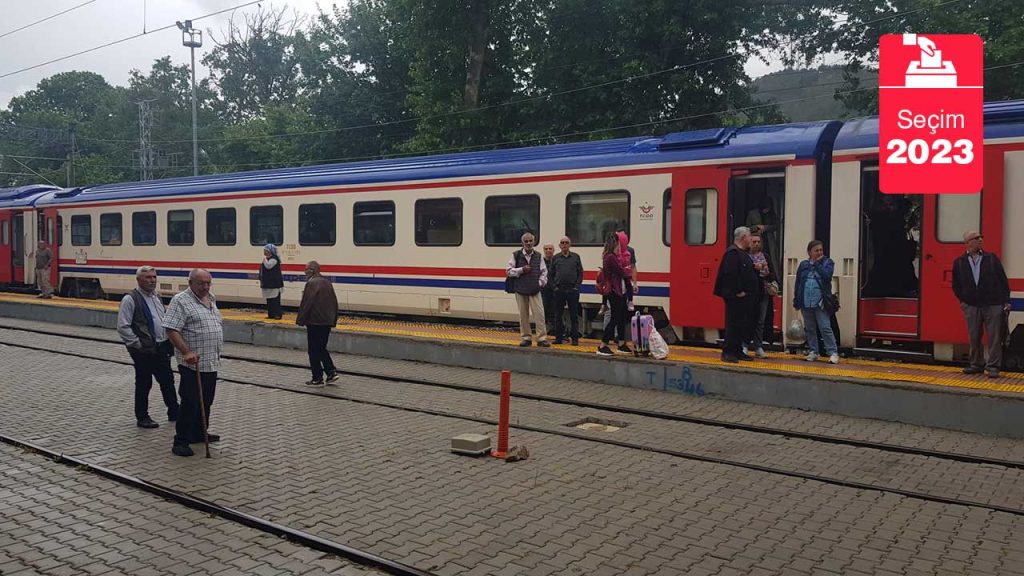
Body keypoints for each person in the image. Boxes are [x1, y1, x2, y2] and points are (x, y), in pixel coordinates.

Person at [163, 269, 224, 457]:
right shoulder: (180, 300)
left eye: (208, 283)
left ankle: (198, 432)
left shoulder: (210, 298)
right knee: (190, 402)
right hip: (192, 363)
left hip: (210, 361)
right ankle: (181, 441)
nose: (205, 287)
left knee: (206, 400)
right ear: (190, 283)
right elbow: (171, 329)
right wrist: (186, 351)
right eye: (201, 283)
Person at [116, 266, 179, 429]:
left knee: (167, 380)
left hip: (161, 347)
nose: (152, 280)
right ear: (138, 280)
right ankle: (142, 417)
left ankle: (174, 411)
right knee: (144, 383)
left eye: (154, 277)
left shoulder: (156, 297)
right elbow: (123, 326)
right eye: (148, 278)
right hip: (144, 350)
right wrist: (137, 344)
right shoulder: (130, 299)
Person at [952, 230, 1011, 378]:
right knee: (974, 336)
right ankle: (975, 364)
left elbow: (1003, 281)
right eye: (976, 238)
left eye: (980, 237)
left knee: (995, 337)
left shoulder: (991, 258)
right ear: (967, 243)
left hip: (993, 304)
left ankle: (993, 367)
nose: (980, 240)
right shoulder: (959, 262)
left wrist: (1006, 301)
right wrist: (964, 301)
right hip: (971, 305)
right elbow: (956, 285)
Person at [714, 227, 758, 363]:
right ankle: (728, 352)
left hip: (745, 298)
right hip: (735, 297)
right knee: (733, 324)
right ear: (743, 237)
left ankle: (737, 350)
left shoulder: (742, 253)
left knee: (741, 324)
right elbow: (730, 274)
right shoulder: (732, 253)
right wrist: (737, 291)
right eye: (750, 237)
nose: (751, 239)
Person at [862, 194, 919, 297]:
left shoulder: (899, 213)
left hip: (896, 250)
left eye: (891, 203)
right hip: (882, 250)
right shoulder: (878, 215)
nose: (887, 207)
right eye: (884, 204)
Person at [793, 240, 839, 364]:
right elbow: (798, 282)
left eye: (821, 250)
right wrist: (796, 299)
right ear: (809, 252)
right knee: (810, 328)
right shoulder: (803, 265)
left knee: (825, 327)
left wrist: (818, 264)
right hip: (806, 301)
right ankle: (814, 351)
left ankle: (833, 352)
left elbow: (827, 276)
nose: (819, 252)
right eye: (816, 250)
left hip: (820, 302)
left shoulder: (828, 263)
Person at [296, 261, 340, 386]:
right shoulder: (327, 282)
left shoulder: (311, 283)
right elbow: (334, 303)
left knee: (313, 350)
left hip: (315, 322)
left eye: (306, 270)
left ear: (312, 270)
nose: (304, 272)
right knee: (321, 348)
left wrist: (300, 320)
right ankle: (331, 372)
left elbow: (307, 303)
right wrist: (333, 319)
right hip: (326, 322)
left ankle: (317, 377)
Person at [506, 232, 550, 347]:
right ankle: (526, 338)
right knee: (523, 315)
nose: (528, 243)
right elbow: (508, 271)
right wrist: (521, 270)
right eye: (526, 241)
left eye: (530, 241)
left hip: (535, 289)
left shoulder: (539, 256)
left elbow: (544, 272)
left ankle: (541, 338)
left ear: (534, 242)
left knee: (539, 314)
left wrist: (540, 283)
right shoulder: (516, 255)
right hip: (520, 289)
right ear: (522, 243)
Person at [597, 233, 630, 356]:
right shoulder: (611, 257)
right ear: (616, 243)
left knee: (621, 317)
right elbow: (621, 272)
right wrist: (627, 272)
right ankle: (603, 345)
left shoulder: (610, 256)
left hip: (618, 291)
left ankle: (621, 343)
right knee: (615, 318)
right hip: (614, 291)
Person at [549, 236, 583, 346]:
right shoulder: (555, 258)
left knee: (574, 316)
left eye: (566, 242)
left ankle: (575, 339)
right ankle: (558, 338)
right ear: (559, 245)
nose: (564, 245)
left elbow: (580, 272)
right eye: (562, 243)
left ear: (570, 244)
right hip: (559, 290)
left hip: (572, 290)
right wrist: (554, 287)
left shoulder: (576, 257)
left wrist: (577, 286)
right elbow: (550, 274)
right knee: (558, 315)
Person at [744, 234, 773, 359]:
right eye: (754, 241)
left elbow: (770, 273)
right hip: (749, 292)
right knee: (747, 319)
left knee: (761, 321)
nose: (756, 244)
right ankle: (744, 344)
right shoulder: (744, 256)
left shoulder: (765, 256)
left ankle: (758, 346)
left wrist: (764, 271)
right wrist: (756, 269)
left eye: (758, 241)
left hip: (763, 292)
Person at [745, 194, 780, 286]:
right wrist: (756, 227)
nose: (766, 210)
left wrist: (765, 227)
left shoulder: (772, 214)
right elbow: (747, 228)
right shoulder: (752, 213)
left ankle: (775, 281)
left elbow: (776, 226)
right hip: (756, 240)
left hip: (769, 241)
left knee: (771, 261)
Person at [259, 244, 284, 320]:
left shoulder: (274, 259)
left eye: (266, 250)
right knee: (269, 300)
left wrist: (264, 260)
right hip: (269, 283)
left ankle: (277, 314)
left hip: (274, 284)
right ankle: (271, 314)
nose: (264, 252)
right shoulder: (268, 259)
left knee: (275, 300)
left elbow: (268, 266)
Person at [541, 243, 556, 336]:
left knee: (554, 312)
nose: (548, 250)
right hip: (543, 291)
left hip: (554, 291)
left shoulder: (557, 261)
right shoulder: (540, 262)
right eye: (546, 249)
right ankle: (543, 332)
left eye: (550, 248)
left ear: (553, 250)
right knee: (543, 312)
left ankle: (555, 331)